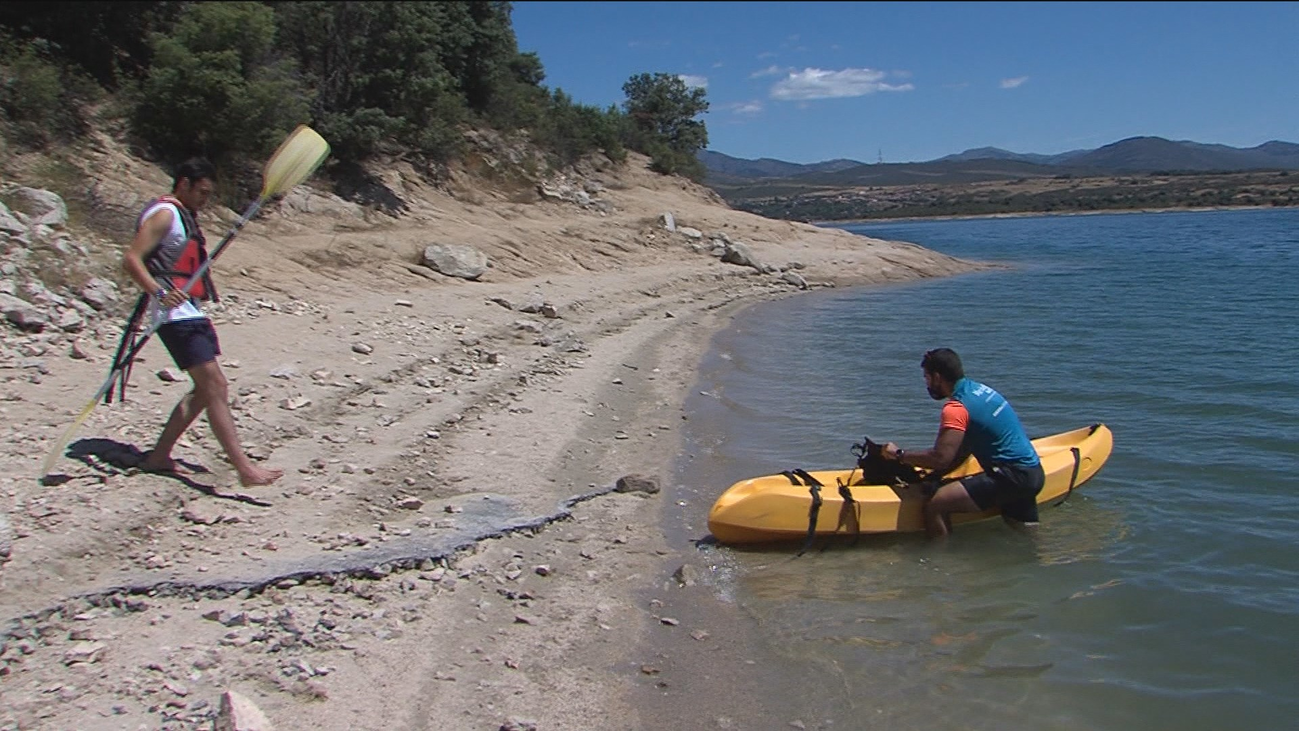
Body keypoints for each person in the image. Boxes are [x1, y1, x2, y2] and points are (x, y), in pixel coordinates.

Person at [121, 157, 283, 487]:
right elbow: (131, 259)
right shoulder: (165, 214)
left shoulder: (184, 216)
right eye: (202, 193)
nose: (204, 201)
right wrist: (158, 292)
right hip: (174, 316)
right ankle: (244, 469)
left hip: (190, 312)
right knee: (216, 387)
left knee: (203, 390)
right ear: (183, 184)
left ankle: (158, 456)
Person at [881, 348, 1042, 537]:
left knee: (936, 505)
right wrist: (936, 476)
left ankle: (939, 560)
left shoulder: (956, 408)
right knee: (1024, 533)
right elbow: (964, 449)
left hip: (1011, 478)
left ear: (937, 377)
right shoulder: (980, 390)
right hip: (1032, 473)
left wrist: (898, 454)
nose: (926, 384)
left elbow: (941, 457)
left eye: (926, 377)